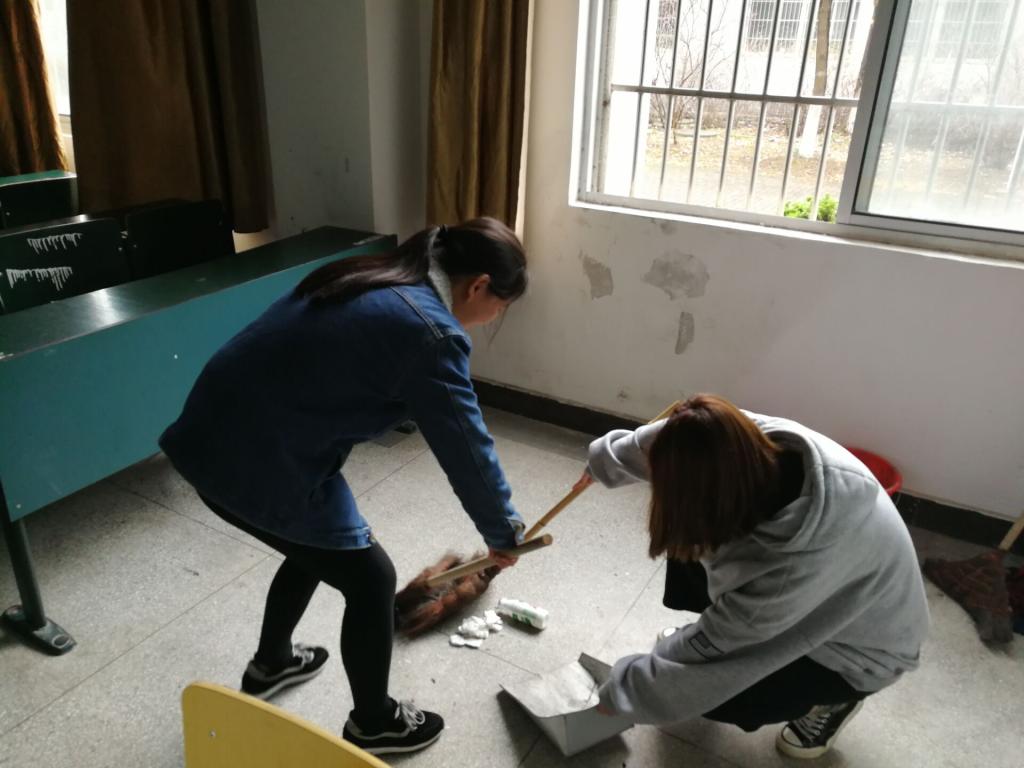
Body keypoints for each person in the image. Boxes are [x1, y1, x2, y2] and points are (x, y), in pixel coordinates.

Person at [159, 218, 528, 755]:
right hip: (256, 459)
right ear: (478, 286)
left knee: (319, 544)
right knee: (371, 578)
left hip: (210, 433)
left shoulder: (376, 273)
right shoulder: (430, 333)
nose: (494, 317)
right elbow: (467, 447)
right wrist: (502, 530)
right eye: (501, 306)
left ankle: (272, 664)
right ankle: (375, 723)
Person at [583, 394, 928, 759]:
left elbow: (711, 653)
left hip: (858, 652)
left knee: (722, 696)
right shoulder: (746, 439)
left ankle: (836, 701)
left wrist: (618, 699)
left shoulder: (785, 574)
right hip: (817, 592)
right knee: (689, 544)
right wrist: (604, 462)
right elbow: (680, 434)